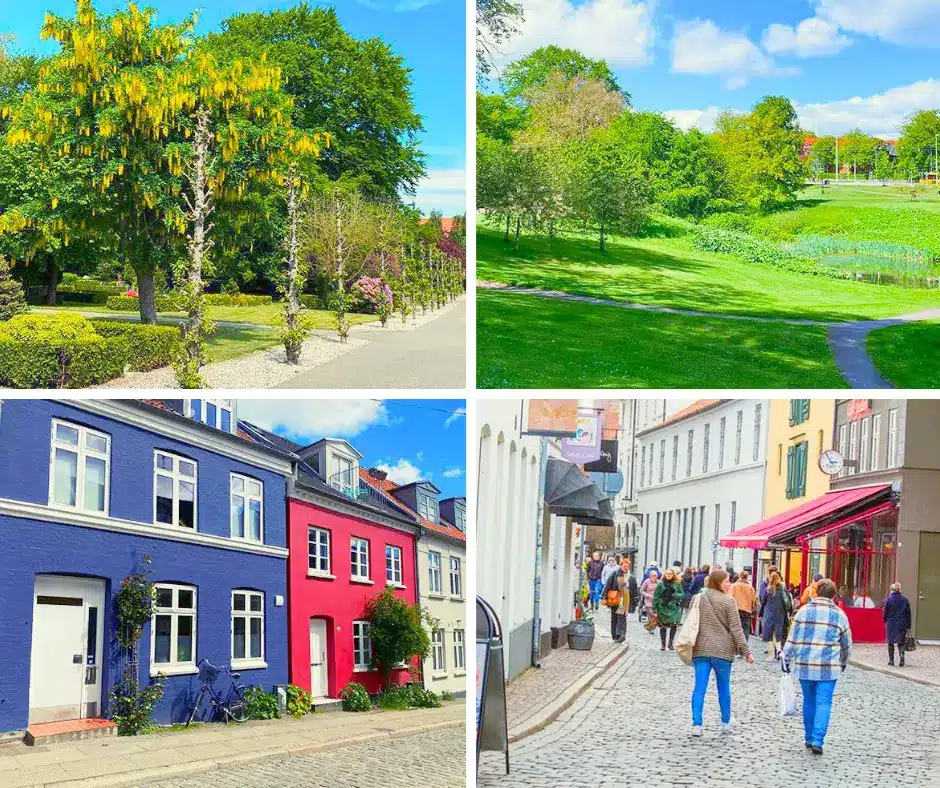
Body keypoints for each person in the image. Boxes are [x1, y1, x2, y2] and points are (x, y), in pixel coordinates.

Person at [782, 579, 852, 755]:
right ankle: (818, 740)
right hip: (829, 667)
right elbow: (846, 643)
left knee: (809, 701)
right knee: (824, 703)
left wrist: (786, 658)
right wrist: (843, 661)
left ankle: (808, 736)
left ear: (817, 592)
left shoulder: (803, 612)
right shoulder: (839, 615)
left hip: (805, 664)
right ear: (833, 595)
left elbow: (793, 637)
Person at [690, 569, 754, 736]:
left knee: (699, 687)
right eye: (727, 581)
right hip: (723, 651)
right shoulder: (728, 601)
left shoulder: (698, 598)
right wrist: (746, 651)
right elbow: (736, 629)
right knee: (723, 687)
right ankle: (725, 722)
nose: (729, 584)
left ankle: (697, 724)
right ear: (718, 582)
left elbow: (692, 620)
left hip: (701, 648)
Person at [601, 557, 632, 642]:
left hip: (624, 599)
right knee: (614, 617)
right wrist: (604, 597)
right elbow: (607, 585)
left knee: (622, 616)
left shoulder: (630, 576)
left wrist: (634, 600)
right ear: (621, 566)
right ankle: (615, 636)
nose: (626, 568)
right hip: (614, 598)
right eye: (624, 566)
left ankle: (621, 634)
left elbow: (632, 589)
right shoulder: (615, 574)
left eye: (627, 566)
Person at [653, 568, 684, 651]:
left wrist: (674, 594)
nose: (668, 575)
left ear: (673, 575)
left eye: (670, 573)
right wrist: (655, 608)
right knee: (663, 626)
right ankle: (663, 644)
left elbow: (682, 594)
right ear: (665, 574)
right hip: (663, 607)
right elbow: (656, 596)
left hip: (674, 607)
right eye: (667, 573)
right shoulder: (660, 584)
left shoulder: (677, 584)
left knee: (674, 624)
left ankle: (670, 643)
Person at [761, 571, 789, 661]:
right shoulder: (782, 589)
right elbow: (787, 602)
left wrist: (761, 613)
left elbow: (763, 602)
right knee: (778, 634)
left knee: (769, 634)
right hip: (779, 614)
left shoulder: (767, 590)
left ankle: (771, 655)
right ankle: (779, 651)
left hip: (769, 614)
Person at [883, 583, 912, 667]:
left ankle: (891, 661)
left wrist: (885, 620)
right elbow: (908, 614)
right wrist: (908, 625)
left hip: (891, 623)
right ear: (899, 590)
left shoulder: (889, 599)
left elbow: (885, 613)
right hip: (902, 623)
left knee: (890, 642)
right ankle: (902, 658)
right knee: (901, 642)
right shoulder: (905, 600)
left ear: (891, 590)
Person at [729, 570, 756, 640]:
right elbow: (754, 600)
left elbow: (729, 598)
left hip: (735, 610)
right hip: (746, 611)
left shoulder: (733, 586)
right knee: (745, 629)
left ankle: (736, 644)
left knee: (735, 628)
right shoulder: (750, 588)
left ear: (739, 576)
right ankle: (744, 645)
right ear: (746, 577)